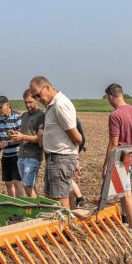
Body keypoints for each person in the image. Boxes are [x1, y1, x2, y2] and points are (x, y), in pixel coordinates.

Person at [28, 76, 82, 208]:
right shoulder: (52, 104)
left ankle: (65, 228)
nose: (37, 100)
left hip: (61, 158)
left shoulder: (60, 105)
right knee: (51, 200)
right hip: (55, 158)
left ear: (47, 87)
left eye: (38, 95)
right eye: (35, 97)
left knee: (60, 201)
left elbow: (77, 138)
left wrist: (73, 158)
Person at [102, 84, 132, 235]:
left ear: (111, 97)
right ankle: (125, 221)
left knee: (126, 194)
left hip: (122, 156)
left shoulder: (115, 115)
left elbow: (114, 143)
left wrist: (106, 164)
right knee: (121, 191)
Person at [8, 89, 44, 198]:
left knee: (28, 186)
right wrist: (15, 135)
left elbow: (39, 139)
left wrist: (22, 136)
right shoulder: (24, 116)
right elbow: (22, 135)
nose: (27, 105)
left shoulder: (41, 116)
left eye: (30, 102)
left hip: (33, 157)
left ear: (36, 100)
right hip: (22, 156)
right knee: (28, 186)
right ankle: (38, 210)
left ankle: (37, 211)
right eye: (25, 102)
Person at [0, 96, 24, 197]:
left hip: (17, 154)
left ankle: (20, 207)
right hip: (6, 155)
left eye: (0, 107)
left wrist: (8, 143)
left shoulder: (17, 116)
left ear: (7, 104)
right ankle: (12, 205)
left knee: (17, 182)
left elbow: (20, 137)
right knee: (8, 183)